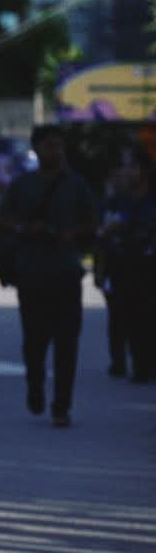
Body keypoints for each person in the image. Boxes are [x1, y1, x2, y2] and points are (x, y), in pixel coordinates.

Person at [0, 124, 97, 425]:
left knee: (67, 343)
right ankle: (36, 386)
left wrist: (70, 234)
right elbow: (1, 221)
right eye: (50, 146)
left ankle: (62, 405)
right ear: (37, 150)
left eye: (59, 146)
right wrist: (26, 229)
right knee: (35, 341)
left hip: (66, 273)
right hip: (31, 273)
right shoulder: (22, 185)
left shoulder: (76, 185)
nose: (57, 151)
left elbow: (93, 222)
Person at [95, 147, 155, 382]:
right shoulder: (117, 201)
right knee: (125, 317)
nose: (128, 172)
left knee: (149, 316)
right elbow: (102, 237)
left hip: (150, 266)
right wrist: (100, 271)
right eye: (126, 167)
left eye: (133, 166)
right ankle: (133, 363)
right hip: (122, 266)